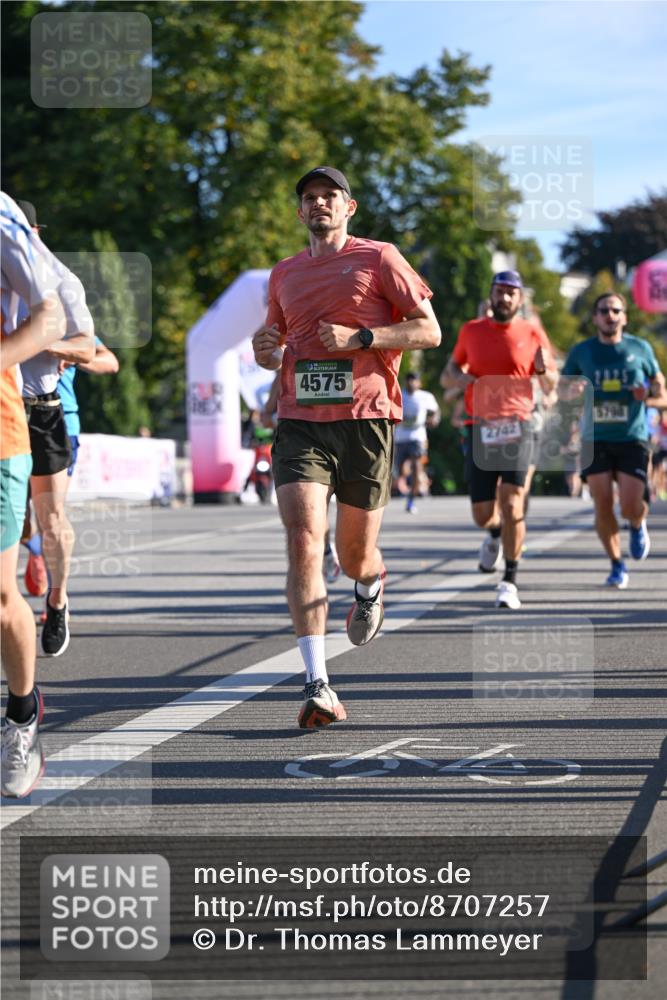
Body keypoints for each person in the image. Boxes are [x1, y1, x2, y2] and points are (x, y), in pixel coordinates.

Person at [252, 166, 440, 728]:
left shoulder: (380, 258)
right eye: (308, 198)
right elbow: (279, 345)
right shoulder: (282, 273)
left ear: (348, 207)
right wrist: (268, 353)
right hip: (301, 422)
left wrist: (361, 339)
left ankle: (369, 582)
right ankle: (317, 683)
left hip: (365, 419)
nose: (318, 205)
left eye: (328, 196)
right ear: (299, 211)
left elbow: (428, 330)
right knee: (304, 538)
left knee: (352, 554)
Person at [1, 192, 66, 798]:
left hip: (3, 428)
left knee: (0, 594)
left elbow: (49, 320)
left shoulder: (1, 217)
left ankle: (21, 715)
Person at [441, 270, 557, 609]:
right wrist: (459, 381)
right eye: (499, 291)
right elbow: (448, 372)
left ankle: (509, 580)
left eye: (511, 293)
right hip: (480, 425)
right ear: (491, 295)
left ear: (520, 300)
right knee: (483, 513)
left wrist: (542, 371)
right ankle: (493, 534)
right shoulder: (471, 331)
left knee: (512, 500)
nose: (504, 297)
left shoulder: (533, 331)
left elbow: (551, 381)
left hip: (519, 423)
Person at [16, 201, 95, 656]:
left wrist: (51, 343)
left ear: (35, 230)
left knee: (50, 519)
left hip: (44, 411)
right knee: (19, 521)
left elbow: (89, 347)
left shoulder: (63, 279)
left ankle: (58, 599)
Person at [560, 292, 666, 588]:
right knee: (603, 505)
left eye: (615, 310)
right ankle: (617, 564)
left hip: (632, 437)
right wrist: (574, 392)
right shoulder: (582, 351)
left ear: (624, 317)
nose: (610, 315)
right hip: (595, 439)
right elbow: (562, 391)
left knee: (631, 505)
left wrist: (648, 396)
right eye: (603, 310)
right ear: (595, 318)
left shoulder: (640, 349)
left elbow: (662, 395)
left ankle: (636, 524)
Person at [23, 336, 120, 600]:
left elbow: (110, 361)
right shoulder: (9, 314)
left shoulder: (65, 322)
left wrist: (71, 354)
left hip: (61, 423)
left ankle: (56, 598)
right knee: (17, 518)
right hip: (14, 421)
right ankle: (35, 549)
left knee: (49, 513)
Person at [394, 371, 440, 514]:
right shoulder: (398, 395)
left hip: (418, 437)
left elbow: (436, 411)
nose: (412, 383)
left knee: (416, 466)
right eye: (409, 380)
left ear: (419, 383)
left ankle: (411, 499)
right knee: (401, 470)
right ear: (405, 382)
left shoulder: (425, 397)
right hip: (400, 438)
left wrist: (434, 419)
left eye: (415, 381)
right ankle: (408, 481)